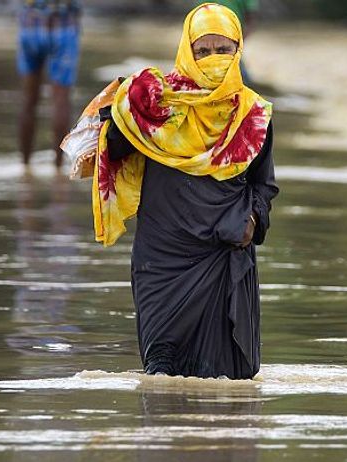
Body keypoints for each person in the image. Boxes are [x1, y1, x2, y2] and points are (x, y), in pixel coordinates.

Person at [91, 3, 278, 379]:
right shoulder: (159, 106)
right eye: (203, 51)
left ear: (238, 50)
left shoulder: (252, 115)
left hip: (222, 254)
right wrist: (127, 106)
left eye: (223, 50)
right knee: (159, 377)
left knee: (227, 383)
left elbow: (264, 184)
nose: (214, 59)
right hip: (162, 262)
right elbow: (113, 147)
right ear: (187, 53)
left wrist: (253, 220)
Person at [17, 0, 81, 167]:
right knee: (61, 101)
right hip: (63, 22)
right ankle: (58, 167)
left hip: (30, 22)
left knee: (28, 100)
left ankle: (25, 166)